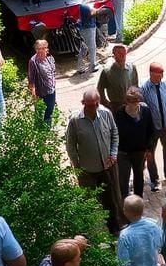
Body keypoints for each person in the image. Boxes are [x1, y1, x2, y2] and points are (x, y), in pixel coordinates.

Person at [65, 90, 123, 235]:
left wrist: (113, 154)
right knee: (89, 202)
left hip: (108, 167)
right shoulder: (75, 121)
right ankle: (90, 233)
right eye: (90, 105)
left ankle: (114, 229)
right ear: (83, 103)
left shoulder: (106, 114)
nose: (94, 107)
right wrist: (76, 164)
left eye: (96, 104)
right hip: (87, 171)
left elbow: (114, 134)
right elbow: (70, 144)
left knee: (112, 200)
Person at [117, 195, 163, 266]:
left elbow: (123, 265)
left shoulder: (125, 236)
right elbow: (160, 244)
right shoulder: (154, 227)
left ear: (125, 211)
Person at [141, 62, 166, 191]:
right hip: (152, 127)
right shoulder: (144, 88)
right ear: (151, 73)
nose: (161, 76)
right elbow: (143, 110)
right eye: (159, 73)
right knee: (150, 152)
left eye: (162, 73)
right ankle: (154, 179)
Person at [114, 85, 155, 200]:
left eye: (136, 100)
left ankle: (138, 203)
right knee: (123, 179)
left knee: (139, 178)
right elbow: (114, 133)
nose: (133, 102)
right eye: (130, 100)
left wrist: (149, 149)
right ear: (126, 101)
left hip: (139, 153)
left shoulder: (145, 111)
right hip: (124, 153)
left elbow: (150, 131)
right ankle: (124, 204)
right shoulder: (119, 113)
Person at [96, 43, 137, 119]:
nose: (122, 54)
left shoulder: (132, 68)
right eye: (119, 52)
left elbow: (136, 85)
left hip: (131, 105)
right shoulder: (107, 72)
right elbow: (100, 90)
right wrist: (107, 105)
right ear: (114, 55)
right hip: (116, 107)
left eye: (124, 52)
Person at [27, 39, 57, 126]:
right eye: (37, 48)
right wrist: (33, 92)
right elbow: (31, 78)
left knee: (50, 109)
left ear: (46, 48)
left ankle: (47, 128)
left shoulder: (50, 58)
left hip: (51, 89)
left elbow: (53, 73)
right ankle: (38, 128)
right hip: (40, 91)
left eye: (42, 48)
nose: (39, 50)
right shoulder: (33, 61)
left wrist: (53, 83)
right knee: (39, 110)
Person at [76, 2, 104, 75]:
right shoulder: (84, 6)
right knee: (92, 48)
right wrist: (100, 9)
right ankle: (92, 66)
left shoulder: (80, 5)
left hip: (85, 28)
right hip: (88, 28)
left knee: (84, 48)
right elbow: (91, 13)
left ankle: (80, 67)